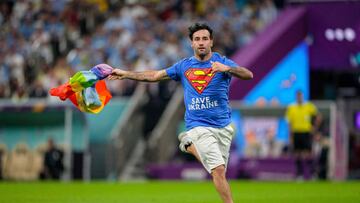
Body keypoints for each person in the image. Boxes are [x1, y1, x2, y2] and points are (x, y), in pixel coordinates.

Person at [108, 22, 253, 203]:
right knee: (218, 170)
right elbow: (154, 76)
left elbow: (248, 74)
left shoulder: (222, 62)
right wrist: (126, 74)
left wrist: (228, 69)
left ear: (211, 42)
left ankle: (188, 145)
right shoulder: (184, 66)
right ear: (191, 43)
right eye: (197, 39)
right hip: (198, 126)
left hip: (223, 127)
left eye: (205, 39)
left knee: (217, 171)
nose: (201, 42)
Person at [285, 90, 322, 180]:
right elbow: (289, 123)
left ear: (303, 96)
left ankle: (312, 173)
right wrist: (290, 135)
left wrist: (315, 128)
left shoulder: (309, 106)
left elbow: (318, 117)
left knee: (308, 153)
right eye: (298, 96)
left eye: (300, 96)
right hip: (296, 132)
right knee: (297, 154)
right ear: (296, 97)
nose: (299, 97)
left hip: (306, 132)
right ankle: (299, 174)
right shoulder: (291, 107)